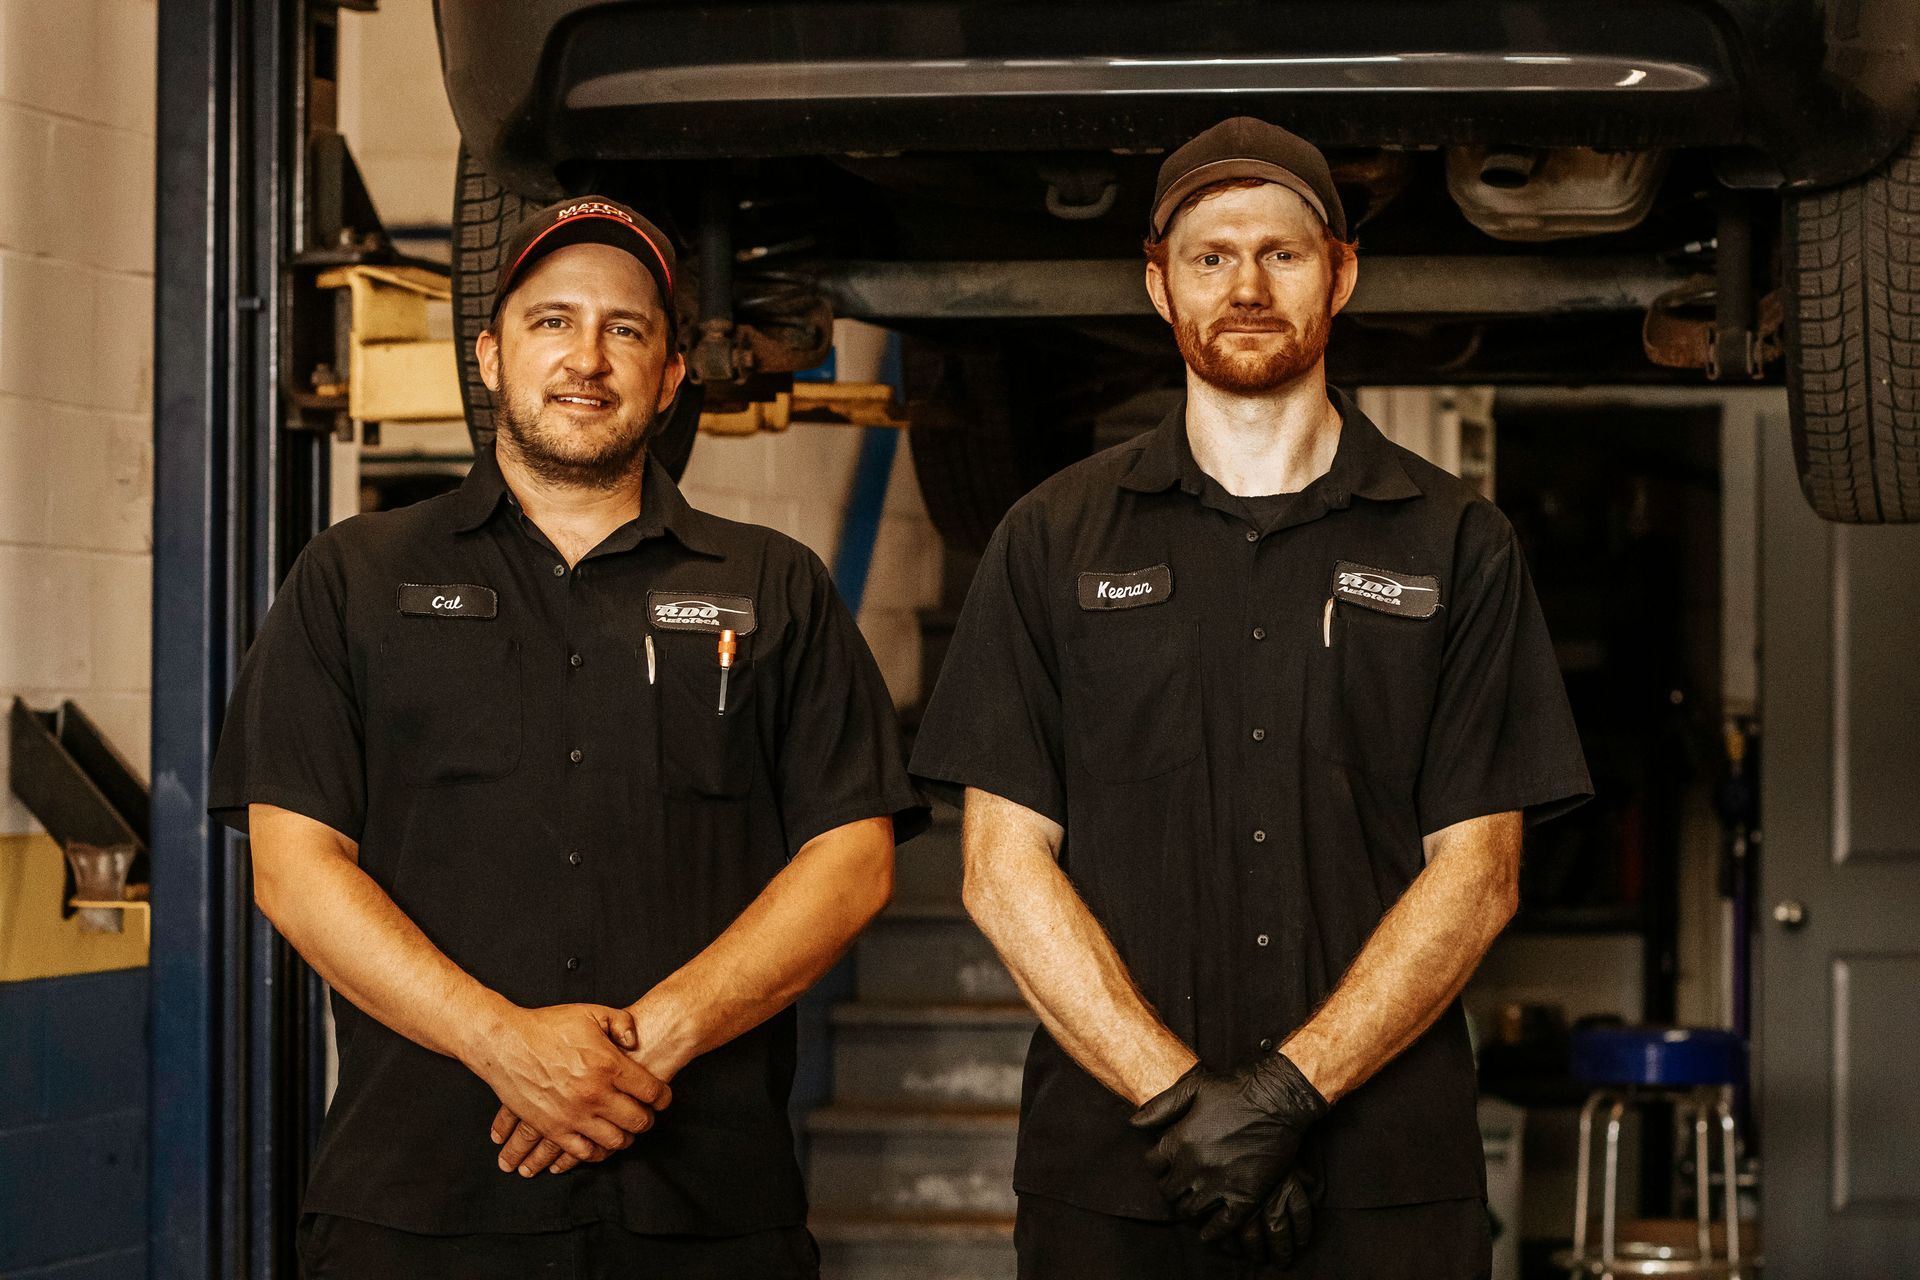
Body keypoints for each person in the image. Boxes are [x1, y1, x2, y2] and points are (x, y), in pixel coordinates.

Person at [908, 118, 1592, 1279]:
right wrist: (1183, 1101)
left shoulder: (1457, 542)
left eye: (1282, 253)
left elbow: (1478, 872)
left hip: (1386, 1182)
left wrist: (1286, 1093)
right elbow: (1001, 866)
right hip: (1119, 1179)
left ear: (1342, 272)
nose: (1247, 285)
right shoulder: (1049, 539)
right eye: (1211, 255)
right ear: (1159, 285)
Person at [209, 195, 926, 1279]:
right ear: (492, 354)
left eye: (625, 328)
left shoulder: (771, 584)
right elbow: (293, 864)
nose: (586, 356)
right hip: (416, 1212)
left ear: (672, 374)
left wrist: (639, 1051)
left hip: (704, 1213)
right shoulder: (353, 578)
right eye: (552, 322)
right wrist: (506, 1043)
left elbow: (854, 858)